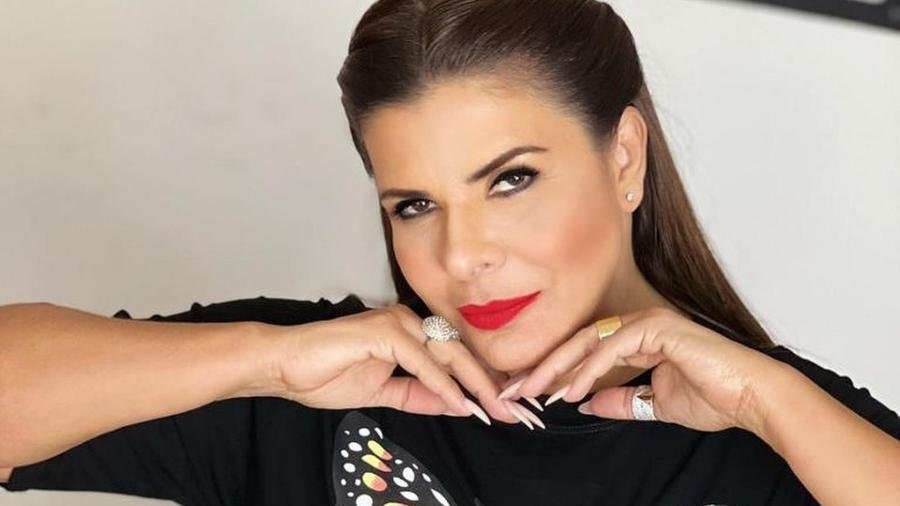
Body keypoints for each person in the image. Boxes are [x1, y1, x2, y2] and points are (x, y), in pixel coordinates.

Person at [1, 0, 898, 504]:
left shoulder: (789, 427)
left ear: (624, 158)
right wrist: (262, 363)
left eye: (511, 180)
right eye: (416, 204)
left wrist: (767, 400)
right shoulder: (316, 389)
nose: (462, 254)